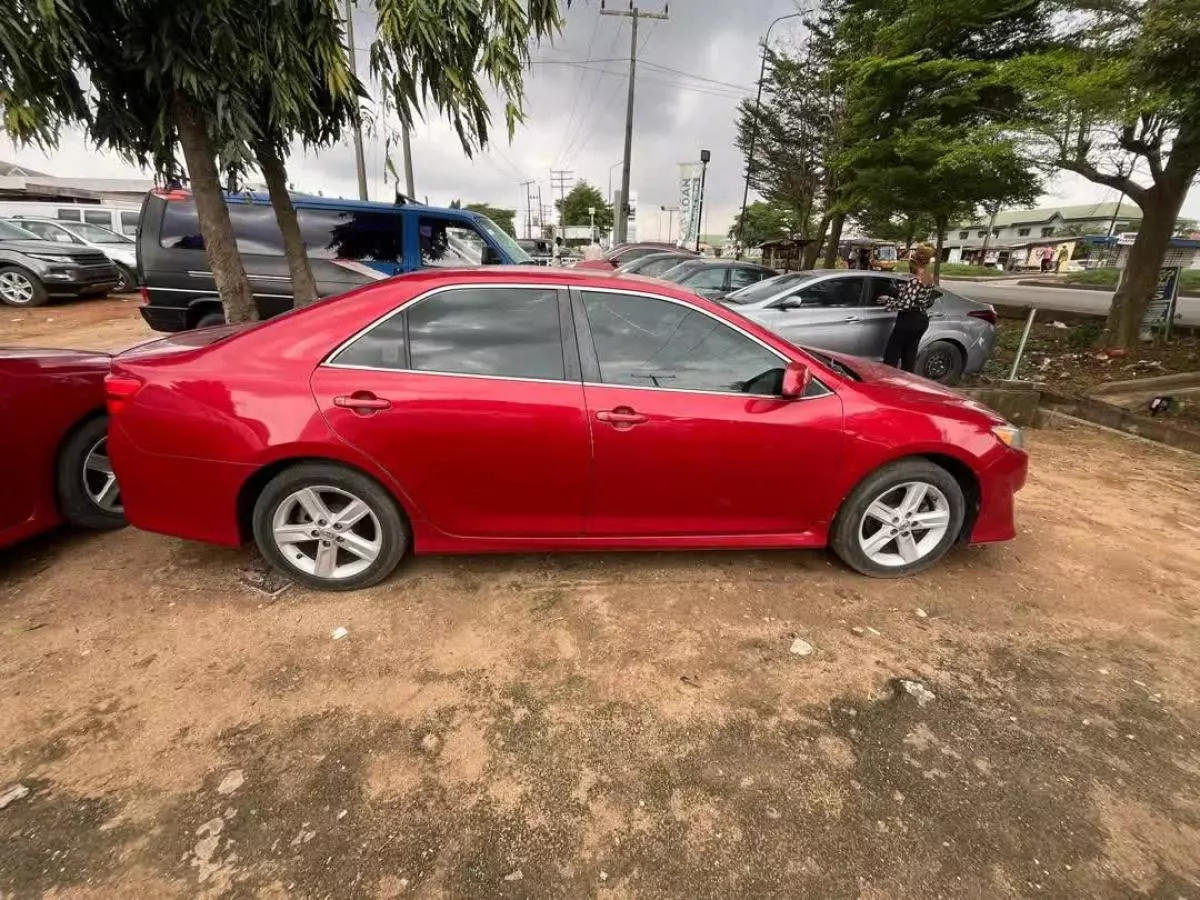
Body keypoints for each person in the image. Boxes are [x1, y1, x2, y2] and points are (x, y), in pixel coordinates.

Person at [878, 245, 937, 372]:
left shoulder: (914, 281)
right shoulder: (928, 278)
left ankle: (887, 381)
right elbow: (925, 301)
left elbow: (906, 304)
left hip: (908, 320)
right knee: (909, 355)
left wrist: (887, 300)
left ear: (914, 262)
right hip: (921, 320)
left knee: (892, 354)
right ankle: (908, 381)